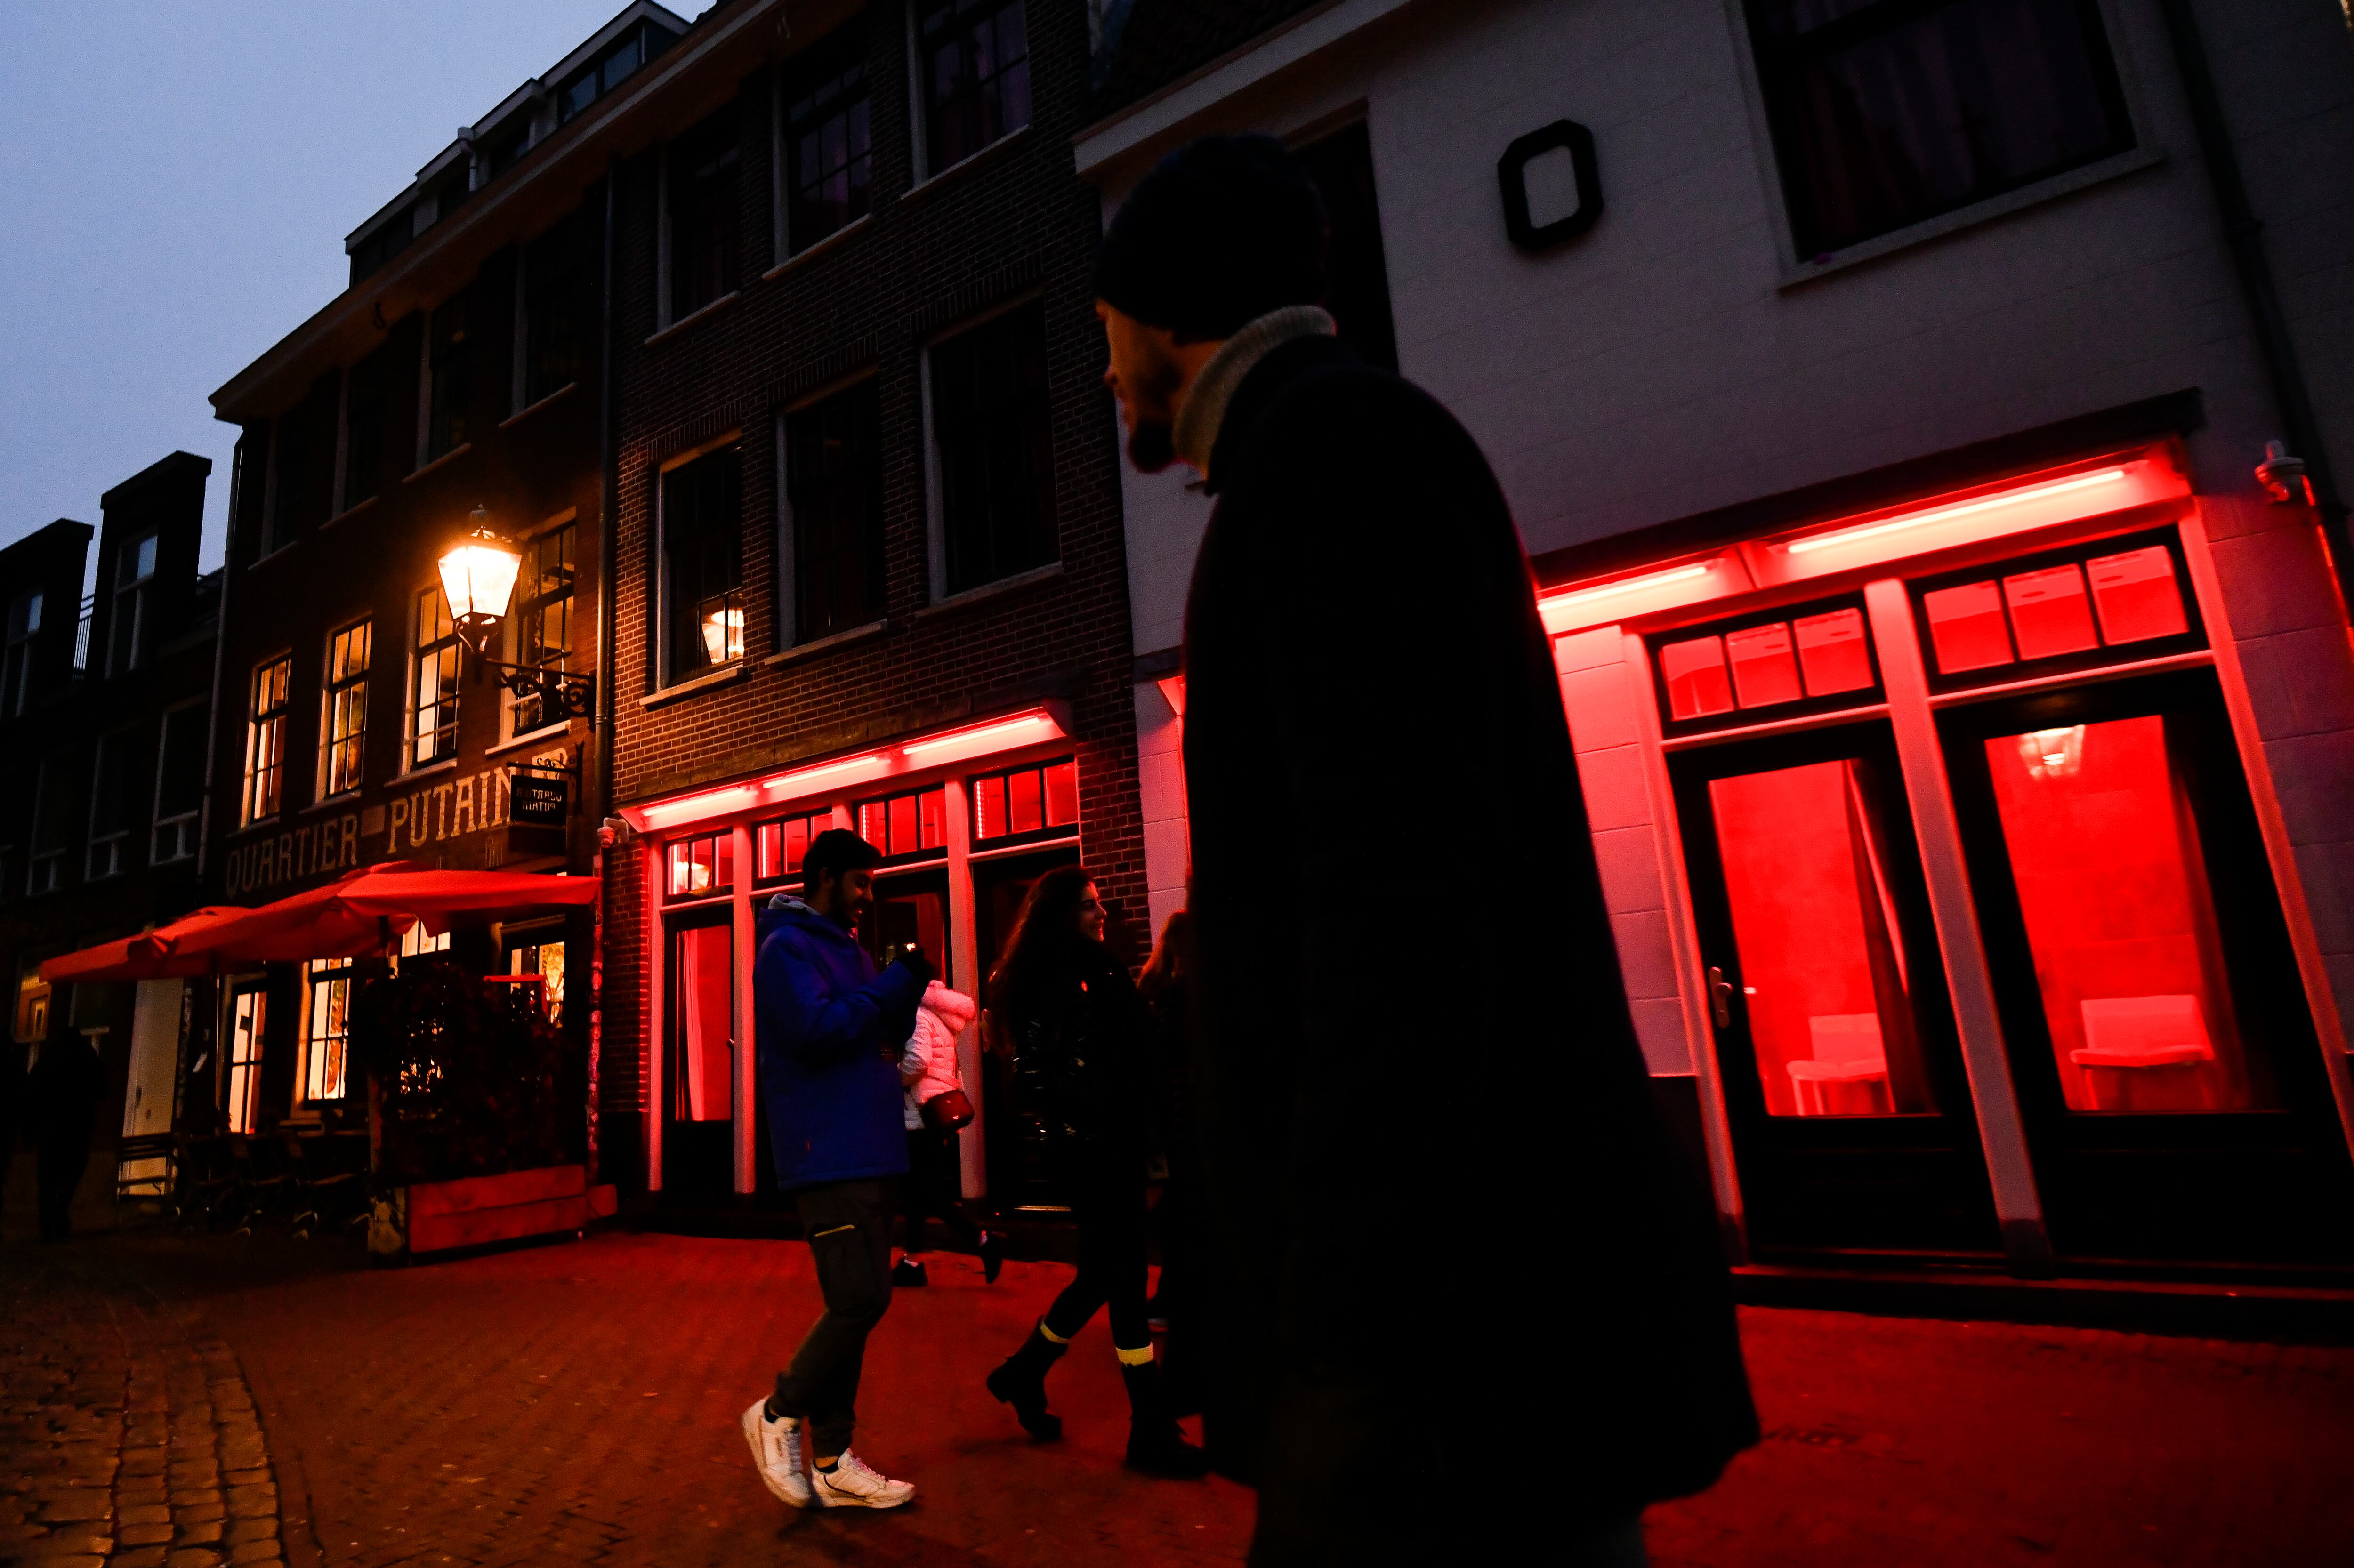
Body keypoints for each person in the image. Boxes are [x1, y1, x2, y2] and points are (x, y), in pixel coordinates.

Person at [1092, 134, 1759, 1564]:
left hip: (1458, 1364)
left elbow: (1396, 918)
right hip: (1457, 1351)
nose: (1102, 372)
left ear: (1163, 310)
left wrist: (1340, 1342)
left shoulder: (1333, 459)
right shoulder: (1330, 453)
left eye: (1102, 328)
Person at [982, 867, 1207, 1478]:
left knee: (1101, 1277)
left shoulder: (1098, 972)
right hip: (1098, 1153)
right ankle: (1148, 1426)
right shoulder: (1053, 983)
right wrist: (1108, 1107)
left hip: (1114, 1147)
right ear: (1061, 913)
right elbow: (1038, 1076)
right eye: (1089, 906)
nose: (1101, 915)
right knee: (1126, 1279)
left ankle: (1024, 1372)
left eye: (1100, 904)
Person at [739, 828, 932, 1511]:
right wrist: (886, 991)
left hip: (870, 1142)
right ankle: (777, 1411)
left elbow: (872, 1031)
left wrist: (900, 995)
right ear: (825, 877)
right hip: (830, 1151)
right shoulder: (786, 947)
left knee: (854, 1301)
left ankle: (832, 1458)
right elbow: (816, 1030)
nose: (865, 896)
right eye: (858, 882)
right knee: (861, 1299)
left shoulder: (845, 948)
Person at [890, 978, 1003, 1286]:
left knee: (923, 1192)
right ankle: (912, 1263)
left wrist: (891, 1079)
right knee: (919, 1192)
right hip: (936, 1112)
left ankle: (982, 1240)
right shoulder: (941, 1018)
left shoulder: (918, 1015)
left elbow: (918, 1061)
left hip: (920, 1113)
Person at [28, 1031, 105, 1243]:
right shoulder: (85, 1060)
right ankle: (60, 1212)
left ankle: (48, 1223)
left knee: (48, 1181)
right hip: (76, 1129)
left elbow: (32, 1094)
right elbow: (102, 1088)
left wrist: (31, 1128)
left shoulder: (48, 1061)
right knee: (70, 1175)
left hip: (51, 1129)